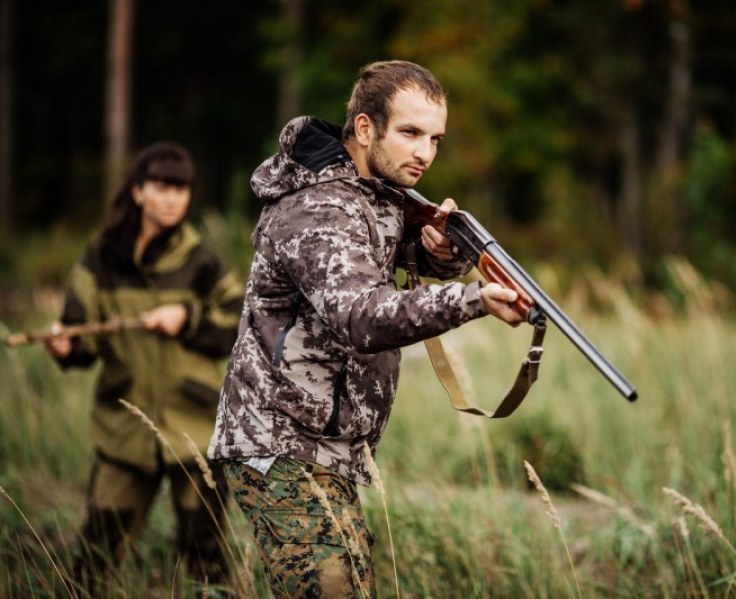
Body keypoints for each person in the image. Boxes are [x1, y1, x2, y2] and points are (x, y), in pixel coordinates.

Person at [207, 59, 524, 597]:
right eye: (410, 133)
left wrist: (445, 254)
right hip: (279, 442)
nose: (425, 152)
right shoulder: (319, 208)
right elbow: (362, 315)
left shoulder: (373, 197)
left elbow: (392, 256)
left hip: (329, 449)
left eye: (435, 138)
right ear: (364, 128)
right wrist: (473, 299)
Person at [45, 142, 245, 594]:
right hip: (124, 427)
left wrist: (187, 318)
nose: (174, 198)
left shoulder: (202, 260)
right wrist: (63, 347)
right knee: (94, 558)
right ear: (138, 192)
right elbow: (81, 336)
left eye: (182, 189)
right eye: (162, 187)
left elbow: (243, 325)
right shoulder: (101, 258)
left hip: (193, 428)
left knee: (207, 559)